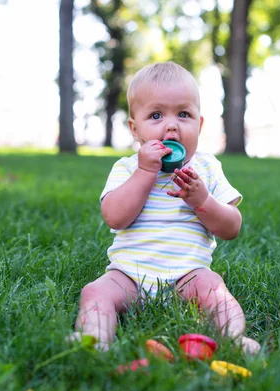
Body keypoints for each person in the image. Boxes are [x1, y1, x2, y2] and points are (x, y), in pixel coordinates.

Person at [67, 61, 260, 354]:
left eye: (184, 114)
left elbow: (231, 228)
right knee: (94, 292)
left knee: (215, 290)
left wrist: (202, 201)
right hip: (129, 275)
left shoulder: (206, 168)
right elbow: (115, 217)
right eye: (156, 115)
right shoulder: (127, 168)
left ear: (199, 124)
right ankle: (94, 339)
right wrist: (145, 173)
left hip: (188, 276)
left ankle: (234, 339)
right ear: (135, 129)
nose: (171, 125)